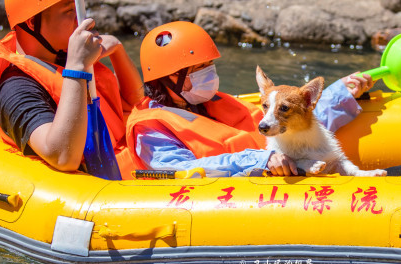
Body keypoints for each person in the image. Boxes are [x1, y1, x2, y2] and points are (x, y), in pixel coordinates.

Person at [120, 21, 373, 178]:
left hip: (269, 174)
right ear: (170, 77)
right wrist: (259, 160)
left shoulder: (212, 102)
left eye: (210, 65)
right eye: (199, 68)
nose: (209, 74)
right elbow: (174, 169)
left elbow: (289, 119)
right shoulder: (149, 130)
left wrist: (341, 94)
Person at [0, 0, 143, 172]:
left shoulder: (61, 54)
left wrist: (118, 51)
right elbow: (62, 156)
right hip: (95, 190)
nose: (83, 20)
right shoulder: (15, 87)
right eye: (70, 12)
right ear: (32, 23)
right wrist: (77, 66)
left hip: (128, 166)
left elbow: (137, 105)